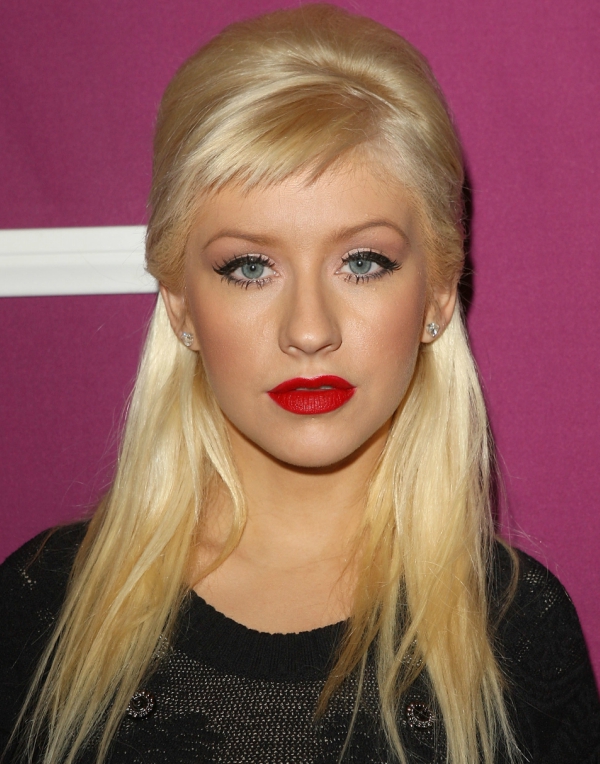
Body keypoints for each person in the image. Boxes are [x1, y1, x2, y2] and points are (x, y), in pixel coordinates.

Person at [1, 4, 599, 763]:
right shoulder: (40, 611)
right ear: (180, 300)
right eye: (251, 267)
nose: (309, 331)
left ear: (440, 292)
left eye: (363, 262)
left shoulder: (518, 637)